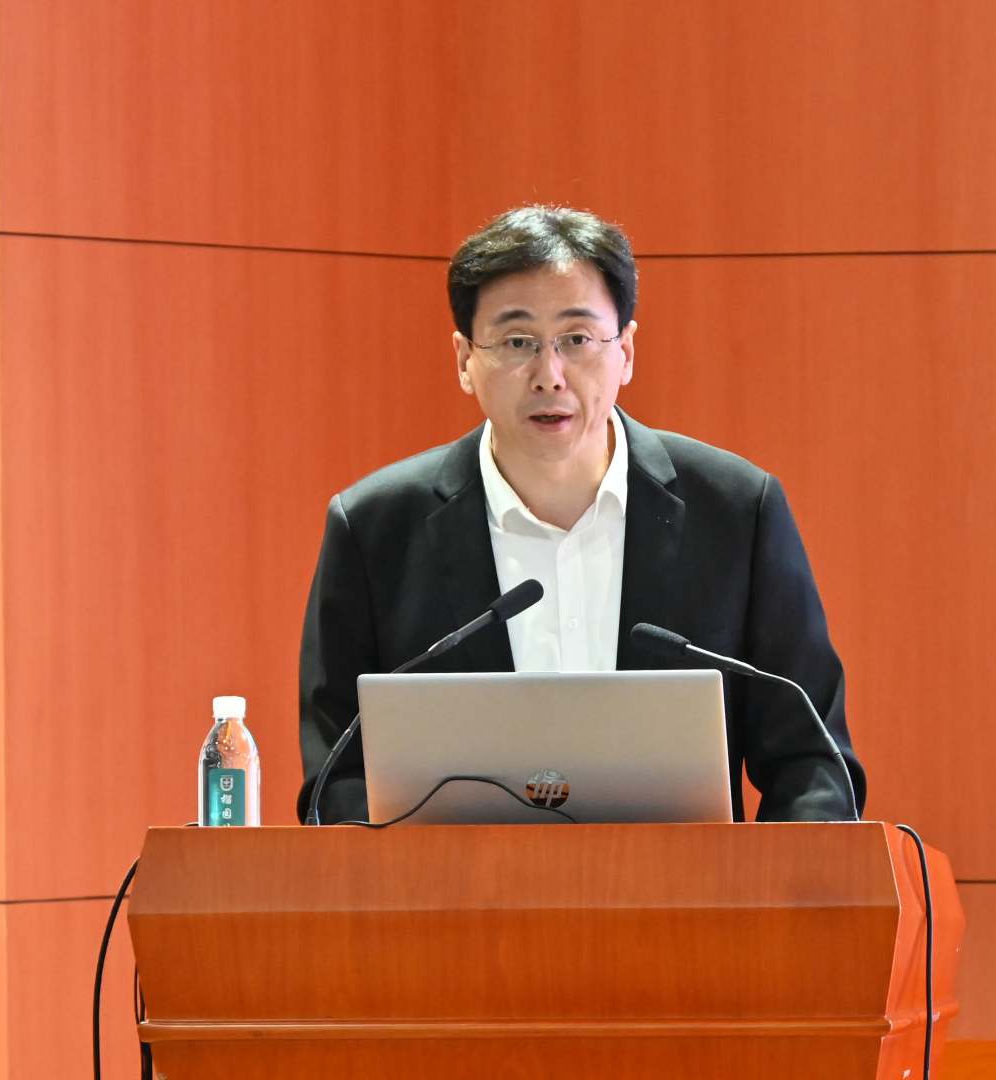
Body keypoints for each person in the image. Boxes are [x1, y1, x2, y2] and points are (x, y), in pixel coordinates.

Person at [296, 204, 862, 824]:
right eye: (517, 342)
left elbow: (812, 764)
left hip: (685, 888)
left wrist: (776, 883)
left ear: (626, 351)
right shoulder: (375, 530)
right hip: (455, 889)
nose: (550, 375)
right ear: (464, 359)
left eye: (578, 339)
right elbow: (337, 779)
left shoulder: (735, 511)